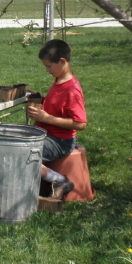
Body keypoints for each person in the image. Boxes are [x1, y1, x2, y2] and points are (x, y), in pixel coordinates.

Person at [26, 39, 87, 200]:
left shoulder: (72, 90)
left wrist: (46, 118)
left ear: (62, 61)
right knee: (13, 144)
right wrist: (40, 99)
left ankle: (60, 181)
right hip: (46, 134)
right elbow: (57, 106)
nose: (46, 70)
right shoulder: (59, 81)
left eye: (48, 66)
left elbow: (80, 123)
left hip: (60, 141)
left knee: (20, 154)